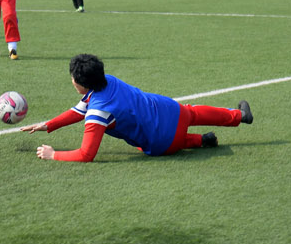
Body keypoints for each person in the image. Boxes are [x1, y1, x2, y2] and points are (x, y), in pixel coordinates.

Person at [21, 53, 253, 162]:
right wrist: (48, 125)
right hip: (170, 110)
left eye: (73, 78)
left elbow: (86, 154)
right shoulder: (107, 79)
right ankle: (239, 116)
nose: (71, 81)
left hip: (164, 141)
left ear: (82, 84)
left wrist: (54, 155)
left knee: (152, 144)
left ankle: (198, 142)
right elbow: (78, 111)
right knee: (193, 112)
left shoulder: (97, 112)